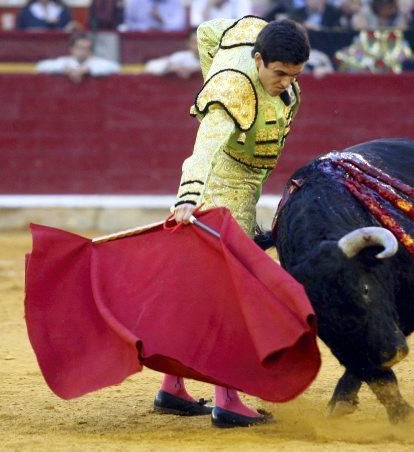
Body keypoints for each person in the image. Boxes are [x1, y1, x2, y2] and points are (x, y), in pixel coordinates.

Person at [167, 16, 309, 428]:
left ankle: (172, 387)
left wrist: (211, 66)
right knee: (233, 294)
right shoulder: (231, 91)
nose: (286, 82)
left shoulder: (262, 46)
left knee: (196, 293)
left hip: (248, 183)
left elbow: (208, 31)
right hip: (222, 190)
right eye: (279, 73)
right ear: (259, 60)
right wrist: (188, 198)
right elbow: (203, 150)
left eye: (294, 75)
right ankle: (227, 399)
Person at [36, 33, 121, 83]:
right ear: (72, 49)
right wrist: (65, 69)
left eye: (87, 48)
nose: (83, 51)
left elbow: (116, 67)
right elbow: (40, 66)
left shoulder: (94, 62)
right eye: (80, 47)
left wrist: (87, 69)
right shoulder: (65, 62)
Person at [122, 0, 186, 31]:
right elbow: (128, 24)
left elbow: (180, 25)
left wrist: (162, 21)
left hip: (167, 43)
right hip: (138, 43)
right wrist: (146, 28)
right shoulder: (135, 2)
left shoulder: (175, 2)